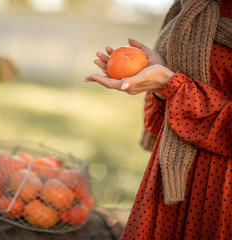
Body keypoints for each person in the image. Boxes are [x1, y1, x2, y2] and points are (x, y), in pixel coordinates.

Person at [85, 0, 232, 239]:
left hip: (221, 188)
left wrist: (173, 86)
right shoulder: (186, 6)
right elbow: (171, 101)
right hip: (170, 176)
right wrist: (161, 79)